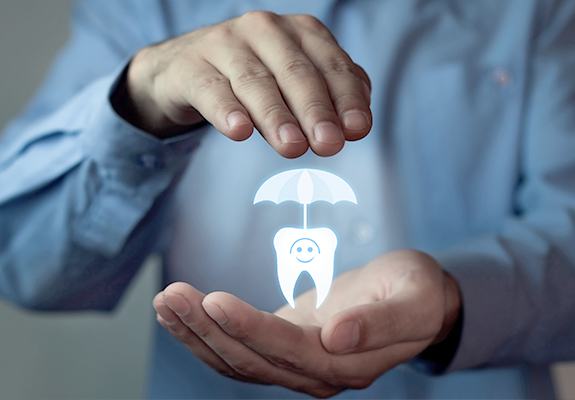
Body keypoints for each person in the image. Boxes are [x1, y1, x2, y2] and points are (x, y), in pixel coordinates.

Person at [1, 0, 574, 398]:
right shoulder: (147, 9)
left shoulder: (538, 13)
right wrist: (138, 102)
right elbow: (24, 265)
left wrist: (455, 294)